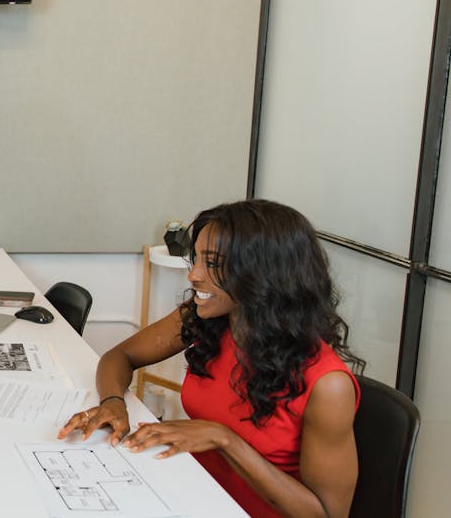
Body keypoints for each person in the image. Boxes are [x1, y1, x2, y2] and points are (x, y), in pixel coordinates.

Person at [58, 199, 363, 518]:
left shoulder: (328, 386)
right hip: (190, 492)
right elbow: (119, 356)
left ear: (264, 275)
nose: (193, 275)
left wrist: (225, 440)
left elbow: (327, 514)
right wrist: (112, 402)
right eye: (197, 259)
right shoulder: (208, 319)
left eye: (214, 264)